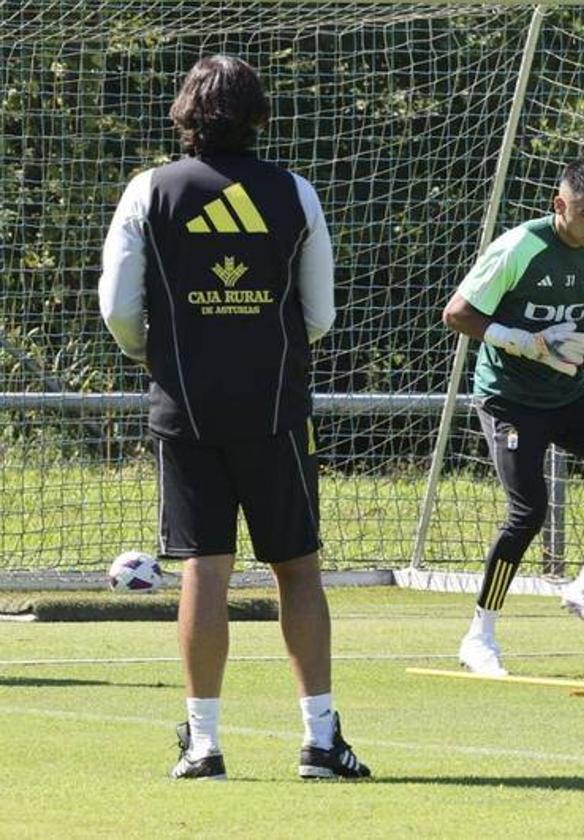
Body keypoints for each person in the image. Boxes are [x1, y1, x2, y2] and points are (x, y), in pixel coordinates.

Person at [98, 55, 369, 781]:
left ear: (184, 114)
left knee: (204, 568)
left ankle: (204, 743)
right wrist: (263, 347)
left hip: (185, 409)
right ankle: (319, 741)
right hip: (277, 408)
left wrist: (156, 355)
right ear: (259, 117)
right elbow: (320, 315)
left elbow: (118, 309)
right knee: (297, 567)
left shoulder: (147, 190)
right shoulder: (295, 193)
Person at [442, 159, 584, 676]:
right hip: (509, 399)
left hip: (567, 393)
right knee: (529, 512)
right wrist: (526, 343)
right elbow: (457, 314)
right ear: (559, 205)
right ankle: (480, 635)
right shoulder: (519, 247)